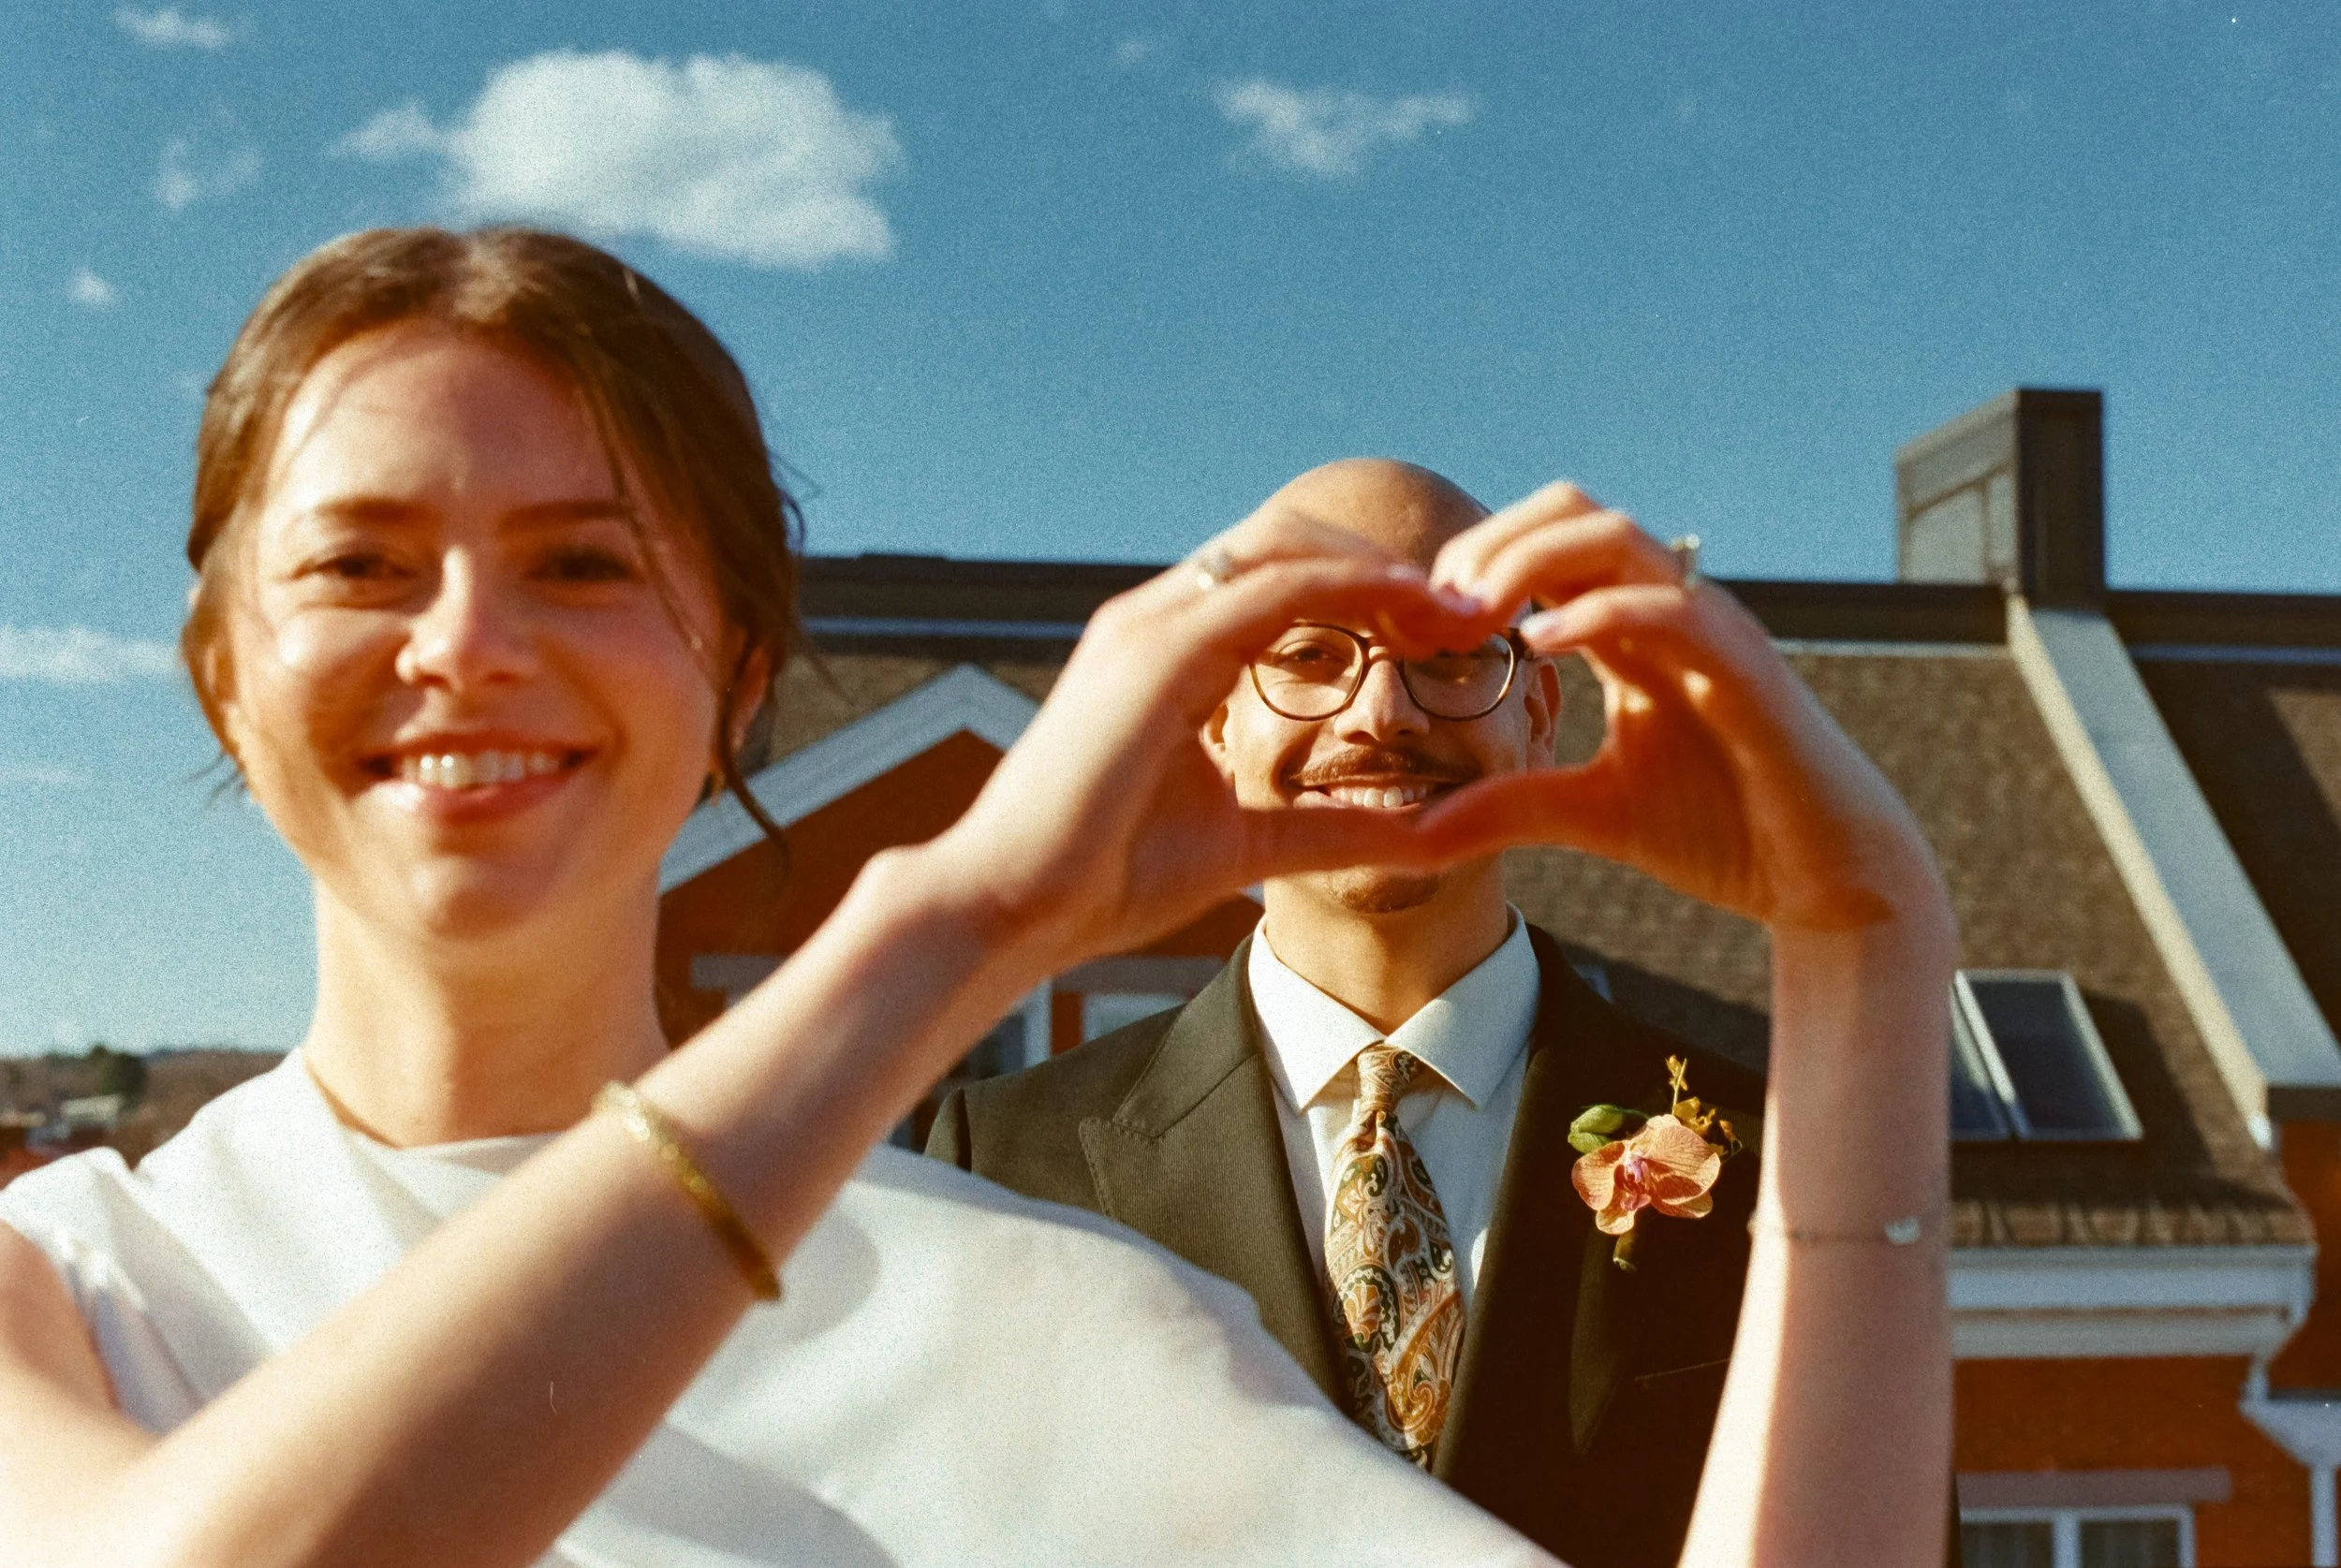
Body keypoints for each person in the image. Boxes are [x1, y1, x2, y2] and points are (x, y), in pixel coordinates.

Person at [0, 227, 1951, 1568]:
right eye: (356, 565)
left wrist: (1863, 958)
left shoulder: (1046, 1314)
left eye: (582, 564)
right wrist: (959, 920)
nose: (468, 644)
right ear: (219, 675)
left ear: (738, 673)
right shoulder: (62, 1299)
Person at [935, 458, 1960, 1565]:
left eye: (1447, 653)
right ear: (1217, 721)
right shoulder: (1007, 1167)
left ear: (1539, 714)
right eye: (1309, 655)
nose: (1381, 712)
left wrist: (1863, 932)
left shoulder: (1778, 1159)